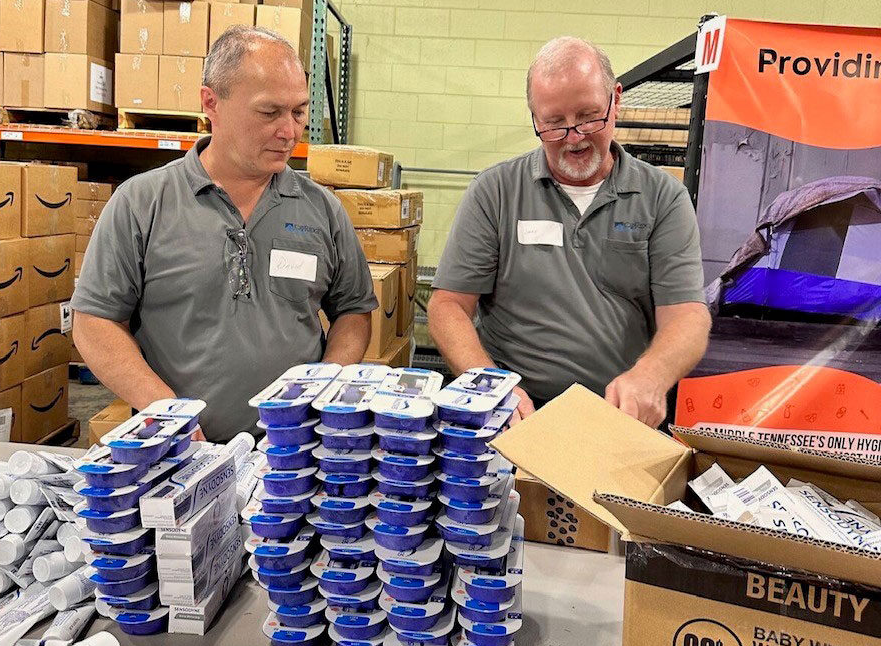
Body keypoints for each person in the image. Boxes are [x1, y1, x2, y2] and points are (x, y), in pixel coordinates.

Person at [72, 27, 377, 441]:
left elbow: (354, 312)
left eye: (299, 112)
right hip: (179, 453)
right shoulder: (142, 203)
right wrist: (168, 412)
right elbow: (95, 321)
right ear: (210, 102)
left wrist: (321, 388)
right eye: (269, 112)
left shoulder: (322, 210)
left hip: (292, 455)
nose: (289, 131)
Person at [428, 36, 711, 428]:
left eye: (588, 117)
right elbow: (448, 306)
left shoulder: (663, 198)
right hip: (518, 414)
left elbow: (687, 316)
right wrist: (491, 386)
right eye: (554, 123)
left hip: (619, 416)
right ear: (534, 118)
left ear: (616, 100)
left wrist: (651, 376)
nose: (574, 137)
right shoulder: (495, 192)